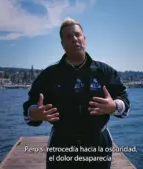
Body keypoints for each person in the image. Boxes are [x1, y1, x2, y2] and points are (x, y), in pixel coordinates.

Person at [23, 18, 131, 169]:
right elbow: (29, 107)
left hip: (98, 144)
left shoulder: (104, 72)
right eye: (68, 36)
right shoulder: (49, 75)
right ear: (62, 44)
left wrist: (114, 106)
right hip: (61, 144)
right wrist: (35, 113)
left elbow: (124, 100)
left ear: (84, 39)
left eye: (77, 35)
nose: (74, 39)